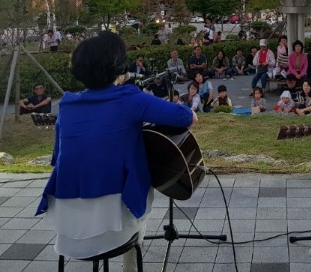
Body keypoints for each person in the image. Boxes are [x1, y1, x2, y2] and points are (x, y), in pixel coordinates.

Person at [36, 32, 196, 272]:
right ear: (117, 66)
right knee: (139, 180)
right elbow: (187, 117)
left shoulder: (67, 105)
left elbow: (58, 157)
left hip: (66, 230)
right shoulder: (128, 98)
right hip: (115, 230)